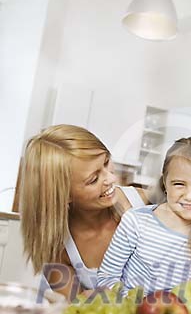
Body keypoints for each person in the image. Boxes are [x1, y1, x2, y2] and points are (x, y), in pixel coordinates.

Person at [20, 124, 148, 299]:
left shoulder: (145, 202)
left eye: (106, 162)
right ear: (64, 196)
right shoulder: (59, 249)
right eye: (93, 179)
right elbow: (76, 313)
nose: (111, 178)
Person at [97, 137, 191, 295]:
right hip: (130, 312)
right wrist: (140, 306)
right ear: (165, 182)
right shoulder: (136, 221)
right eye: (179, 184)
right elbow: (106, 279)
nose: (190, 196)